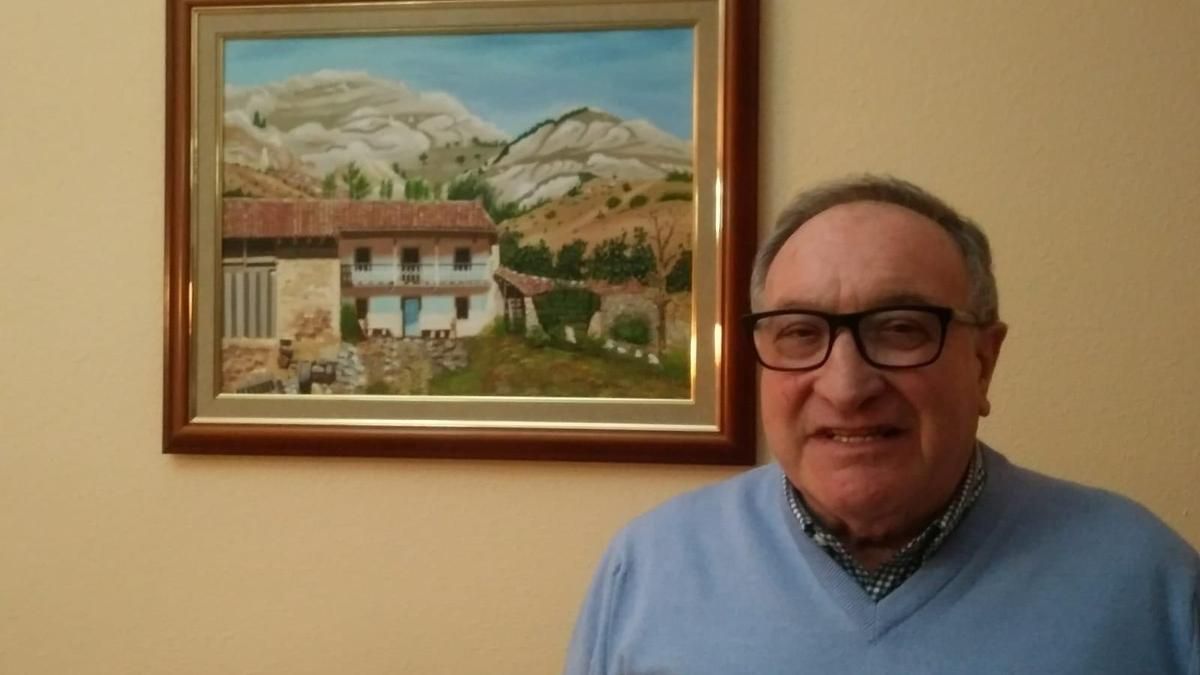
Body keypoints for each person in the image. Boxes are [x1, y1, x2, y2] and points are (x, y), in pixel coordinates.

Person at [565, 175, 1199, 674]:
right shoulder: (648, 569)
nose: (846, 388)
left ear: (983, 362)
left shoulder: (1148, 582)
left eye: (899, 329)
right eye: (799, 333)